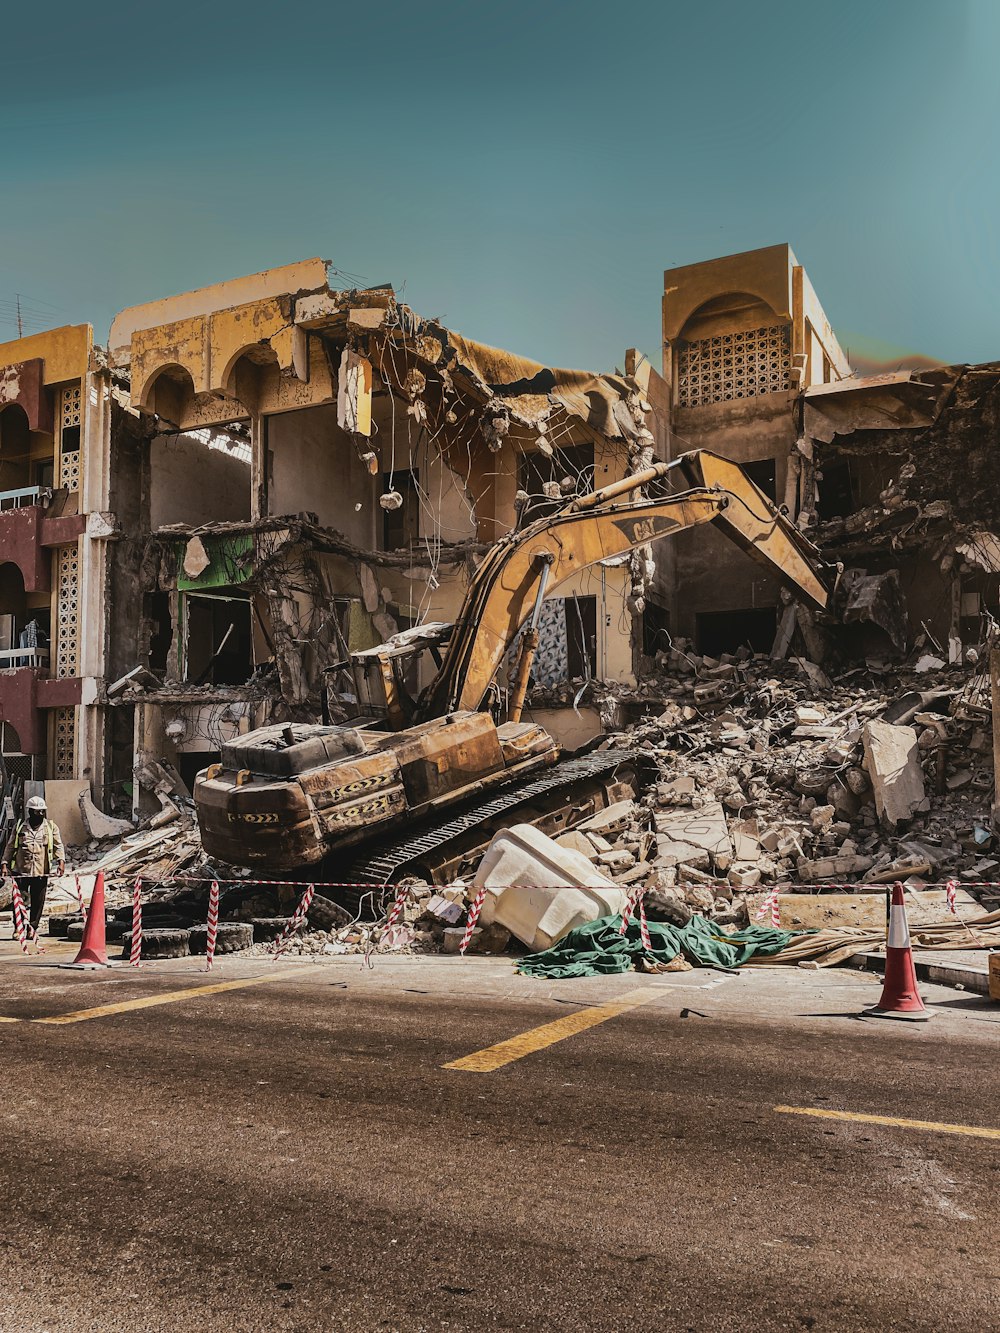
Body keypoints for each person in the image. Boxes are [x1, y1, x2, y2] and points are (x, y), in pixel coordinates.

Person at [2, 795, 66, 935]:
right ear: (30, 812)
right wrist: (5, 864)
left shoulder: (50, 827)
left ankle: (33, 928)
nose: (41, 814)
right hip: (21, 870)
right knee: (19, 901)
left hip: (41, 871)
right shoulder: (20, 827)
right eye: (38, 811)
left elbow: (58, 846)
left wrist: (61, 862)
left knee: (38, 901)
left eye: (43, 811)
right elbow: (10, 846)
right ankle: (18, 928)